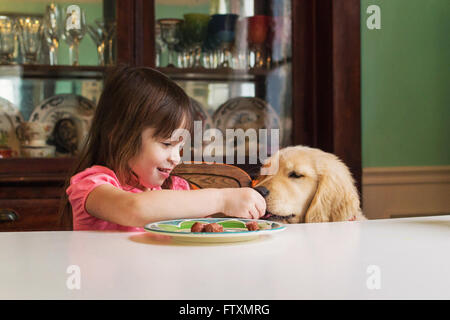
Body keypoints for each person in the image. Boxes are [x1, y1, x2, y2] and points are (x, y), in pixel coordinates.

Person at [59, 65, 266, 231]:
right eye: (167, 144)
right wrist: (222, 198)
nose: (176, 158)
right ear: (119, 135)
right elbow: (134, 208)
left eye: (180, 147)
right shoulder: (92, 186)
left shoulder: (176, 189)